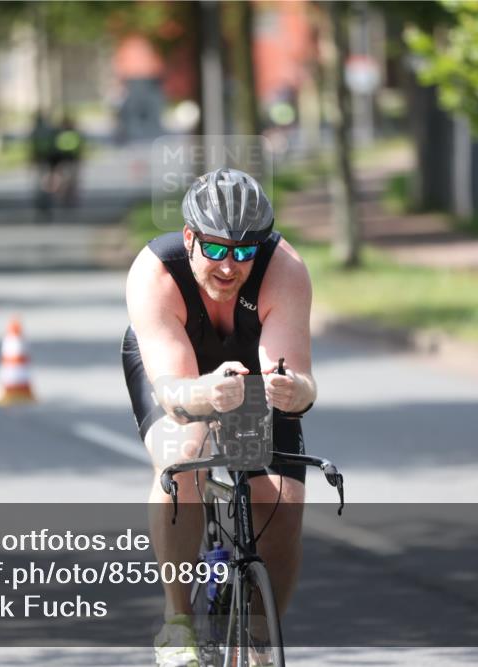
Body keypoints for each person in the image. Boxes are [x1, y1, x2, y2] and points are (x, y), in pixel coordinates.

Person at [122, 167, 317, 667]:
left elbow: (300, 384)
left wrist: (293, 390)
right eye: (215, 248)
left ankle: (259, 637)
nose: (229, 266)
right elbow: (173, 394)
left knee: (284, 500)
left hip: (249, 372)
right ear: (189, 238)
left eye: (244, 252)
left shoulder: (285, 269)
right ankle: (177, 621)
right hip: (179, 373)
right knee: (183, 456)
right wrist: (205, 394)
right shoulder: (155, 272)